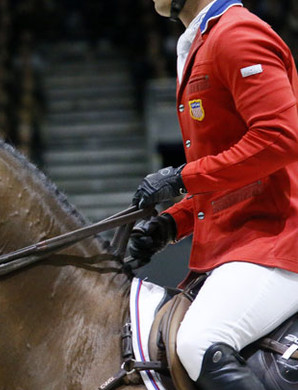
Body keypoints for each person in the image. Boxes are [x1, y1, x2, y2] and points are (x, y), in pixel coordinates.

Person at [129, 0, 298, 388]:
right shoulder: (201, 43)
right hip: (239, 243)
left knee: (198, 341)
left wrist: (183, 177)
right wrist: (172, 223)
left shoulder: (237, 34)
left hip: (277, 238)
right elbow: (233, 174)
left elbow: (280, 139)